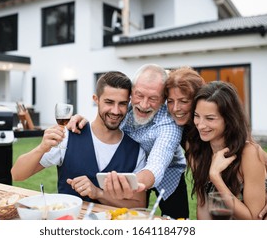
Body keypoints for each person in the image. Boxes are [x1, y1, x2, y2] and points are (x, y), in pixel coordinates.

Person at [69, 64, 189, 219]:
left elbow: (157, 164)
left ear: (163, 99)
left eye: (153, 98)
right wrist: (82, 120)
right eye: (139, 95)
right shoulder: (124, 107)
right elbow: (105, 116)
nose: (144, 105)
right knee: (135, 216)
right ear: (132, 92)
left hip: (167, 174)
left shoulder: (170, 125)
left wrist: (130, 182)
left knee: (176, 220)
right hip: (132, 165)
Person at [11, 71, 147, 208]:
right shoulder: (69, 135)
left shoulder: (136, 151)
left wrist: (99, 193)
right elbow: (17, 174)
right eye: (109, 102)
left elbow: (140, 204)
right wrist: (41, 148)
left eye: (122, 104)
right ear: (96, 99)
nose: (116, 111)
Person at [165, 66, 267, 219]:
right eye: (170, 101)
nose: (175, 108)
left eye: (183, 101)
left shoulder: (246, 148)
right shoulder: (194, 144)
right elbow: (203, 199)